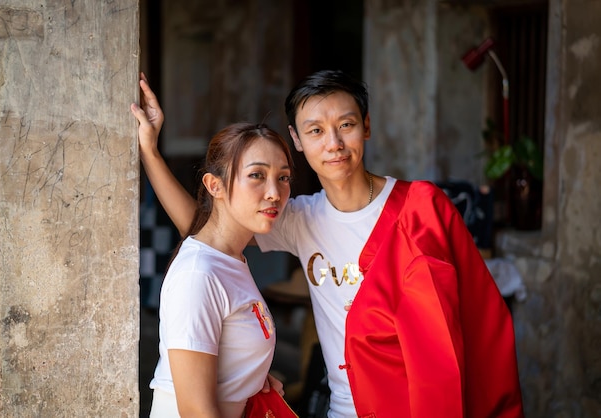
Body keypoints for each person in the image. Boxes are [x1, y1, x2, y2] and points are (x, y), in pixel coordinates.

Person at [135, 70, 524, 417]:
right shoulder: (300, 218)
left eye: (347, 124)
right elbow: (211, 228)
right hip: (343, 408)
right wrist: (150, 153)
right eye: (315, 130)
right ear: (297, 140)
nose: (334, 143)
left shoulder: (422, 208)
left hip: (414, 405)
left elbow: (478, 320)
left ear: (367, 126)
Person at [131, 79, 296, 417]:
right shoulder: (199, 274)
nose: (274, 193)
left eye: (283, 177)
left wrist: (251, 377)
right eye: (256, 175)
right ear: (215, 185)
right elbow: (196, 411)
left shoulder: (229, 259)